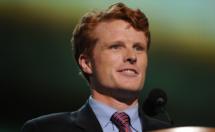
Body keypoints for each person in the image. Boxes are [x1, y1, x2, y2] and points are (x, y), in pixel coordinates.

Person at [21, 2, 171, 132]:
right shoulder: (44, 129)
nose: (132, 56)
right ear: (87, 63)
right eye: (116, 47)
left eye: (138, 48)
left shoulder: (170, 131)